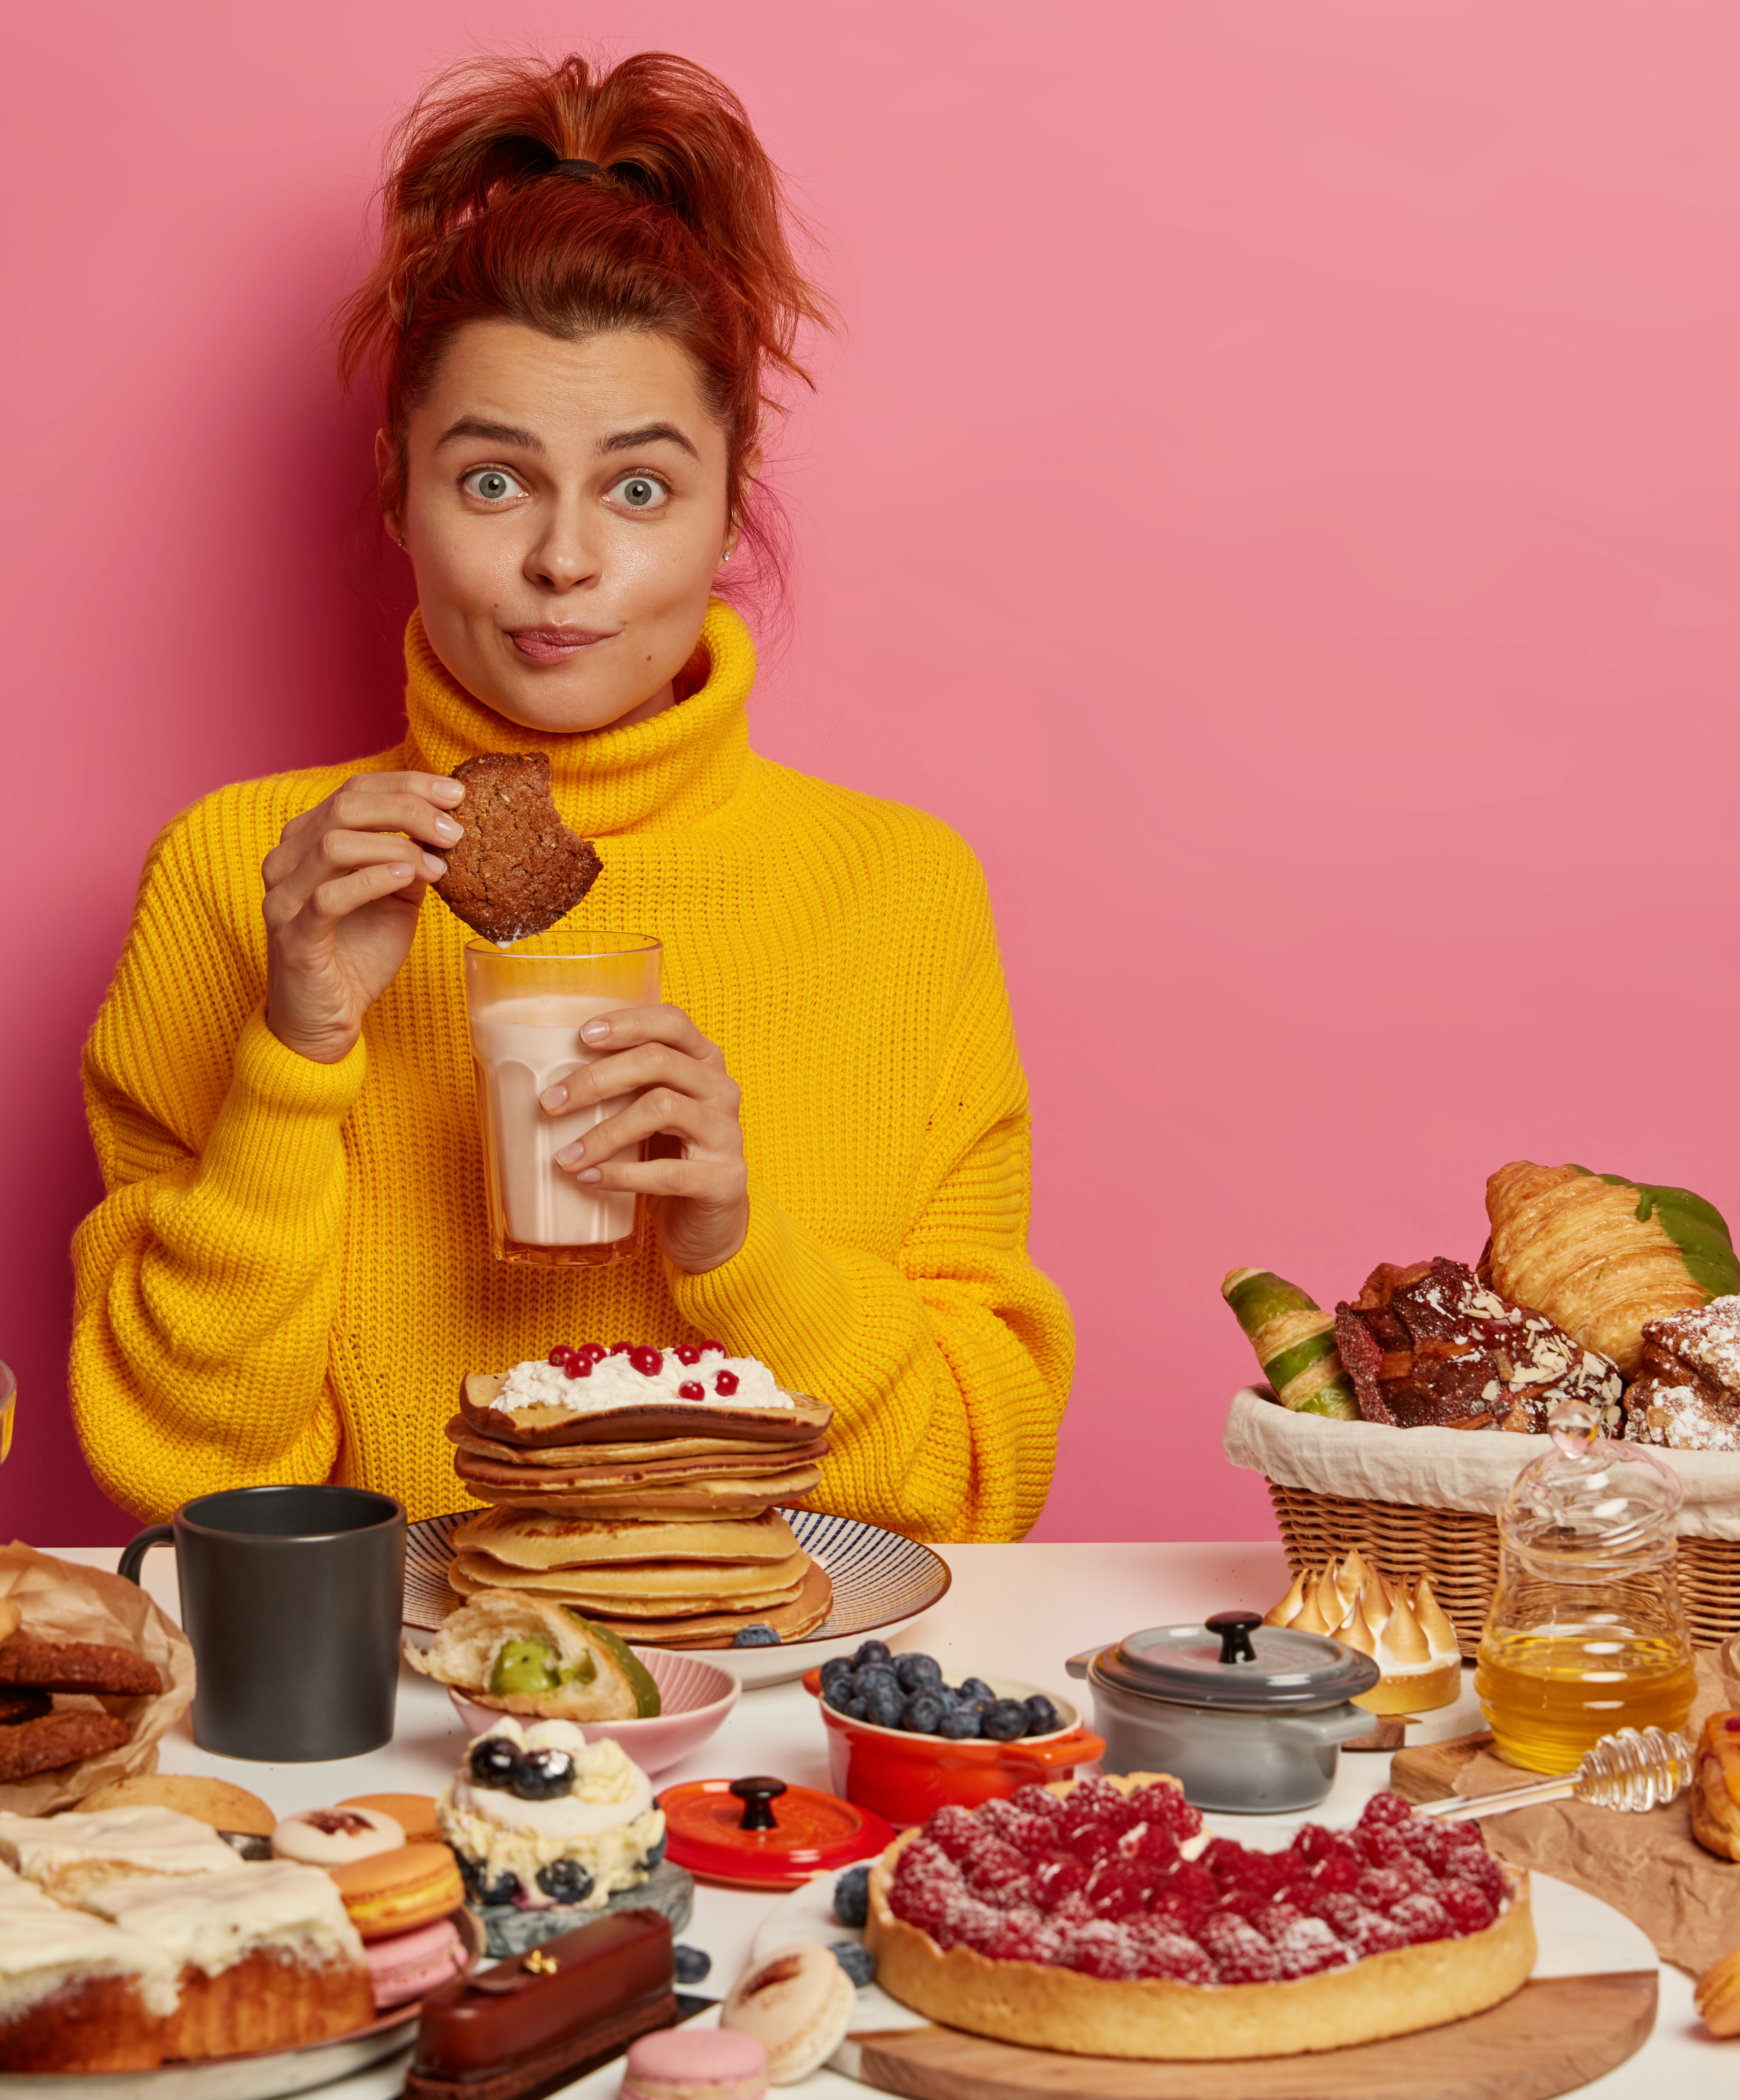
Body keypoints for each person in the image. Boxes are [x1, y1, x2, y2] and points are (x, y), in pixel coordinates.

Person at [70, 52, 1070, 1539]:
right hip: (396, 1724)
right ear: (398, 485)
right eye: (493, 481)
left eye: (641, 488)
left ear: (735, 503)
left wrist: (738, 1245)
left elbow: (979, 1484)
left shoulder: (902, 890)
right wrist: (296, 1051)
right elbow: (188, 1473)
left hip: (778, 1705)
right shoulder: (241, 876)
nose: (562, 562)